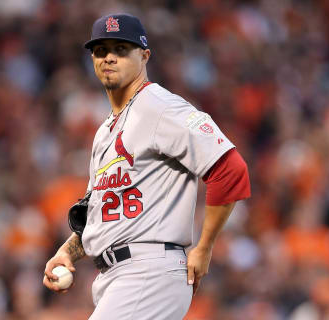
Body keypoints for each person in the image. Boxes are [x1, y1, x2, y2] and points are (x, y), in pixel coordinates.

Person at [43, 13, 250, 319]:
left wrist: (204, 247)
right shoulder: (105, 131)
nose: (109, 57)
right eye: (101, 50)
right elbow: (98, 214)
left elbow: (230, 170)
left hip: (149, 271)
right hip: (116, 277)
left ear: (144, 55)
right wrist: (68, 251)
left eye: (121, 49)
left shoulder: (160, 107)